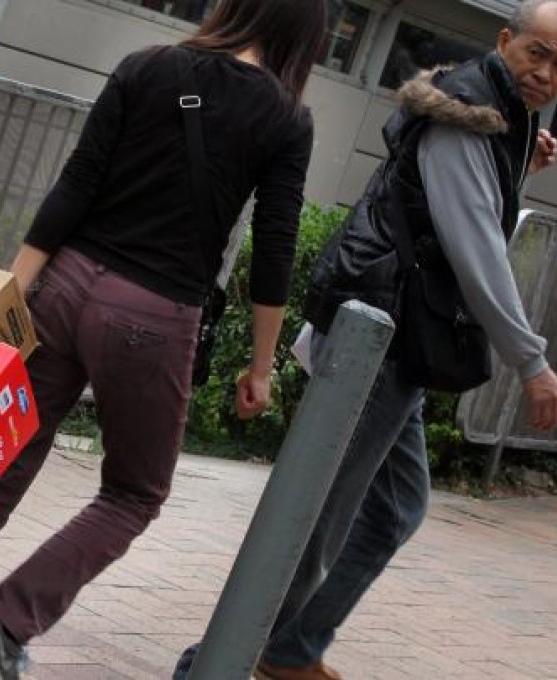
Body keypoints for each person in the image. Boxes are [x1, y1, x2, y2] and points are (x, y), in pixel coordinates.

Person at [0, 0, 327, 678]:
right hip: (152, 316)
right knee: (134, 493)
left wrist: (12, 292)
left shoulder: (146, 66)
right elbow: (275, 245)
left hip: (63, 286)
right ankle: (4, 624)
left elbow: (76, 182)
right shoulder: (286, 119)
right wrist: (262, 364)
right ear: (307, 34)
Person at [174, 2, 557, 679]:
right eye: (538, 52)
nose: (547, 73)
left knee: (394, 510)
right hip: (380, 331)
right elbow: (474, 248)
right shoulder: (468, 114)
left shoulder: (497, 115)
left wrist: (521, 156)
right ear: (505, 40)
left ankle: (289, 650)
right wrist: (531, 360)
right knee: (315, 517)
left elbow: (438, 207)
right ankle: (216, 662)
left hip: (401, 335)